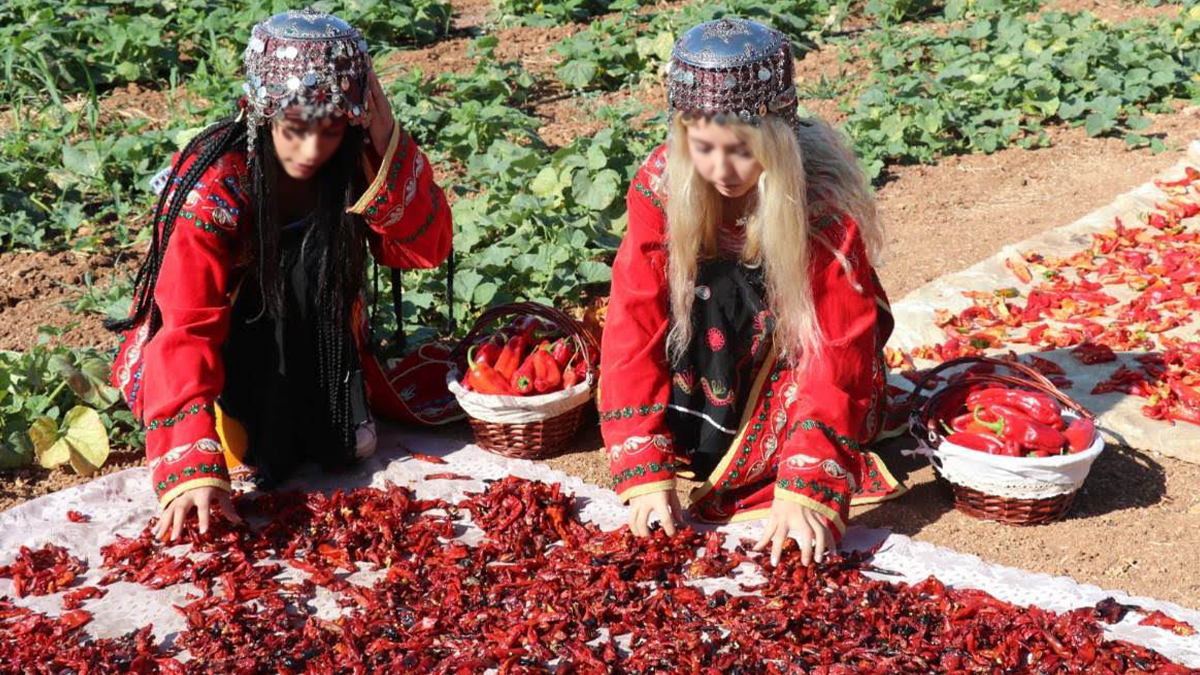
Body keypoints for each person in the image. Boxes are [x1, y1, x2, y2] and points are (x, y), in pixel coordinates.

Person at [105, 9, 452, 541]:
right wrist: (190, 465)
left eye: (331, 129)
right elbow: (185, 322)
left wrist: (389, 146)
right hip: (225, 352)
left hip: (317, 337)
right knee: (248, 456)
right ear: (258, 112)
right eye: (294, 129)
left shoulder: (352, 162)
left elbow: (424, 250)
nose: (311, 151)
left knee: (342, 447)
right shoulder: (214, 180)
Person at [599, 18, 904, 567]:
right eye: (703, 148)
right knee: (700, 293)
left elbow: (837, 345)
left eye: (742, 150)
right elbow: (634, 318)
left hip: (791, 361)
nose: (721, 170)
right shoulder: (661, 185)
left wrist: (806, 485)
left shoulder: (821, 203)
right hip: (707, 358)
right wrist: (643, 469)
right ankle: (703, 429)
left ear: (776, 140)